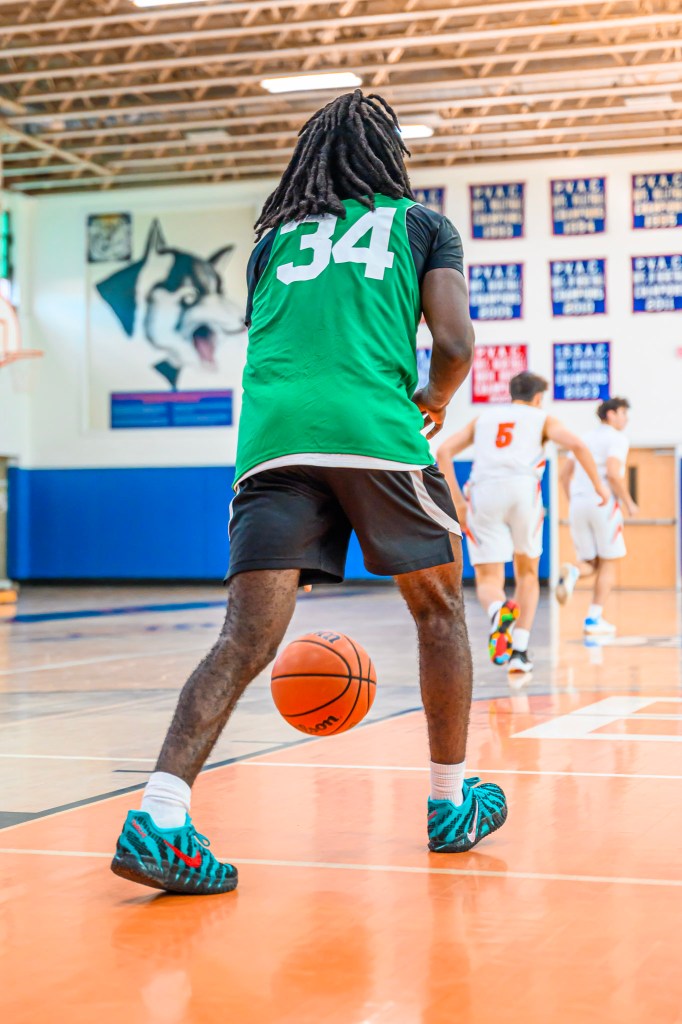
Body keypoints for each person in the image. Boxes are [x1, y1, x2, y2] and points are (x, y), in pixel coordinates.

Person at [110, 90, 508, 896]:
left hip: (271, 443)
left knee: (243, 639)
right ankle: (449, 802)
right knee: (438, 611)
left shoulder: (270, 242)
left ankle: (159, 817)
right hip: (374, 431)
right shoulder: (422, 225)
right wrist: (434, 398)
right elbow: (456, 341)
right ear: (389, 154)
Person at [437, 372, 609, 677]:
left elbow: (443, 451)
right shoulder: (542, 418)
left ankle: (497, 612)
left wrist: (458, 502)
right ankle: (519, 653)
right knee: (527, 574)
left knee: (488, 579)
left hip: (484, 492)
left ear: (512, 393)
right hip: (523, 491)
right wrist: (599, 486)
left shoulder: (483, 419)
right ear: (538, 397)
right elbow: (579, 446)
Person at [557, 397, 637, 635]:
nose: (626, 419)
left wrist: (574, 501)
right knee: (609, 562)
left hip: (578, 503)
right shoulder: (617, 439)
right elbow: (613, 474)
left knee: (590, 563)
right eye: (623, 413)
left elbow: (564, 475)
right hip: (603, 503)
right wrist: (629, 502)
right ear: (610, 414)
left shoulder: (584, 438)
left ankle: (572, 572)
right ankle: (593, 619)